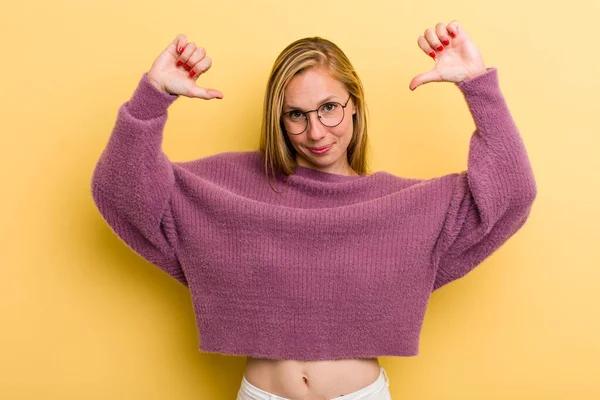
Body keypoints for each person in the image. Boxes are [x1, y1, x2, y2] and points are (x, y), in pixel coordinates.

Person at [91, 20, 537, 400]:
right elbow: (120, 193)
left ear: (356, 106)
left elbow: (511, 195)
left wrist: (477, 85)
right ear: (278, 120)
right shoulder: (230, 189)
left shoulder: (399, 207)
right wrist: (153, 96)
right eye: (296, 114)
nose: (315, 130)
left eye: (329, 108)